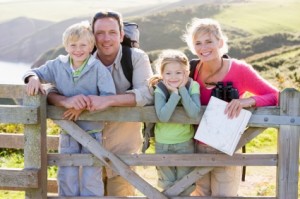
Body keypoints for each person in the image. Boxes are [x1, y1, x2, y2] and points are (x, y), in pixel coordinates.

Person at [47, 10, 153, 196]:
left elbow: (147, 94)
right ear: (92, 36)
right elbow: (50, 90)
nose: (106, 39)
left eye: (112, 32)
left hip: (122, 152)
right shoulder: (79, 57)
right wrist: (65, 101)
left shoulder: (136, 58)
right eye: (99, 33)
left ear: (121, 35)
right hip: (83, 149)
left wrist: (107, 100)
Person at [182, 18, 279, 196]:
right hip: (194, 146)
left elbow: (276, 96)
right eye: (198, 43)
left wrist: (248, 101)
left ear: (220, 42)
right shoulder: (190, 69)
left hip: (226, 147)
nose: (203, 48)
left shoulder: (240, 70)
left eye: (209, 41)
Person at [23, 21, 116, 196]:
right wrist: (33, 78)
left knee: (91, 174)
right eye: (73, 45)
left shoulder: (98, 69)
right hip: (67, 130)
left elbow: (107, 96)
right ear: (66, 46)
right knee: (67, 172)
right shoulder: (58, 65)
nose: (78, 49)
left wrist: (81, 106)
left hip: (93, 131)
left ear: (91, 46)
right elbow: (33, 72)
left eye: (83, 45)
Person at [149, 49, 201, 195]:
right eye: (168, 73)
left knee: (185, 185)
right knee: (167, 186)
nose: (173, 77)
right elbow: (163, 116)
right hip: (163, 143)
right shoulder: (160, 89)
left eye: (178, 72)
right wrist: (174, 94)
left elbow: (193, 113)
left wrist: (182, 90)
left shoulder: (192, 86)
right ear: (162, 74)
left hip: (185, 143)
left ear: (186, 73)